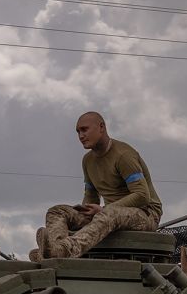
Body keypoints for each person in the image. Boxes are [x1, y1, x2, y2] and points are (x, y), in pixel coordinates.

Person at [29, 112, 163, 261]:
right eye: (78, 132)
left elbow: (142, 195)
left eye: (84, 130)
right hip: (109, 214)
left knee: (108, 215)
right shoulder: (87, 161)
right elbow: (91, 196)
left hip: (146, 214)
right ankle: (55, 249)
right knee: (57, 211)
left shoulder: (124, 155)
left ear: (101, 127)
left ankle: (66, 250)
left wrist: (105, 210)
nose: (80, 136)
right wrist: (84, 212)